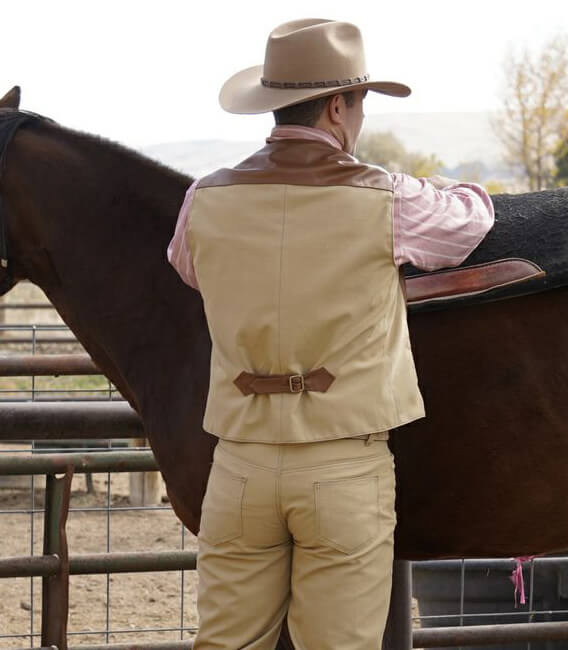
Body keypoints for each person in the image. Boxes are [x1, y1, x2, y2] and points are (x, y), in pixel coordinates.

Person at [167, 18, 494, 650]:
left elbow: (189, 267)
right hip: (344, 463)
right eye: (362, 101)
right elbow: (470, 222)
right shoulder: (387, 198)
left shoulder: (204, 198)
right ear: (339, 105)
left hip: (238, 461)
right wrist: (449, 185)